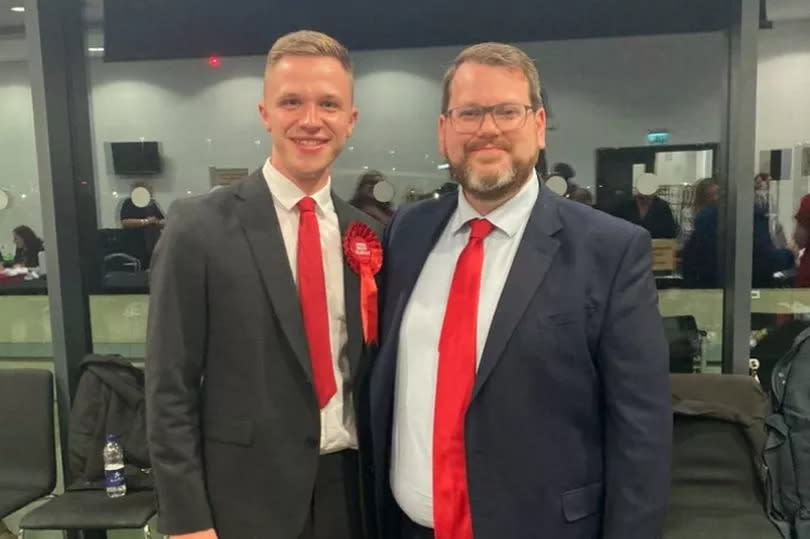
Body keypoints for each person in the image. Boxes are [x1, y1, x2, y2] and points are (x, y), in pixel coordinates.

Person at [367, 42, 671, 539]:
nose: (488, 128)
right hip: (410, 527)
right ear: (445, 131)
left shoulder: (610, 251)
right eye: (469, 113)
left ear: (538, 124)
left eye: (507, 111)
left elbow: (642, 435)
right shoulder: (408, 232)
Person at [145, 30, 382, 539]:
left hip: (352, 496)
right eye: (291, 102)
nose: (311, 120)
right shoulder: (198, 228)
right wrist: (186, 520)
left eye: (329, 104)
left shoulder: (368, 236)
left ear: (350, 121)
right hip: (241, 503)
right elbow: (169, 385)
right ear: (265, 113)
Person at [119, 183, 165, 268]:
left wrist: (158, 222)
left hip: (152, 246)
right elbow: (125, 222)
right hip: (135, 245)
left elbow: (162, 220)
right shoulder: (129, 203)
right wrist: (146, 221)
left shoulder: (152, 204)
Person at [613, 189, 678, 239]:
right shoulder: (624, 205)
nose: (645, 200)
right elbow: (616, 230)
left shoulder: (663, 207)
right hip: (629, 250)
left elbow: (671, 234)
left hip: (655, 251)